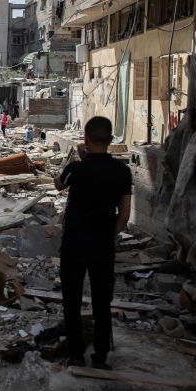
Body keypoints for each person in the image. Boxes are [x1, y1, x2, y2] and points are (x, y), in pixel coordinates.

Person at [54, 117, 132, 370]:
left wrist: (80, 159)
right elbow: (124, 215)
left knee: (72, 300)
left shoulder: (76, 169)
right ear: (110, 140)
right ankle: (100, 356)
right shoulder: (122, 171)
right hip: (102, 245)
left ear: (86, 139)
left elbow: (58, 184)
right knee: (101, 301)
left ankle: (76, 354)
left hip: (74, 244)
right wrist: (109, 234)